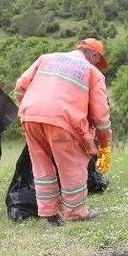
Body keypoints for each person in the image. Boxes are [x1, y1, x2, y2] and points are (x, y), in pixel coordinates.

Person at [15, 38, 112, 226]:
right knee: (72, 166)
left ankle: (50, 215)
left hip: (31, 116)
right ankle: (76, 213)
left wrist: (27, 109)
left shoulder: (47, 58)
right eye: (98, 61)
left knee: (41, 165)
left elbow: (20, 85)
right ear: (93, 55)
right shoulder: (92, 72)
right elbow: (100, 116)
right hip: (64, 121)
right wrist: (105, 144)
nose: (98, 66)